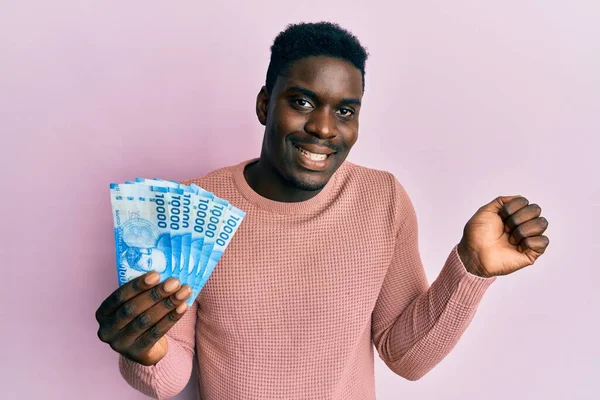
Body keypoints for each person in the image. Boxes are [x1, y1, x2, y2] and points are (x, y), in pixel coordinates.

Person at [95, 21, 550, 399]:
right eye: (302, 102)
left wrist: (470, 269)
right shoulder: (189, 209)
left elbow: (407, 357)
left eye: (346, 111)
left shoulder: (383, 200)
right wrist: (145, 350)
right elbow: (169, 378)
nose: (323, 128)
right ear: (263, 104)